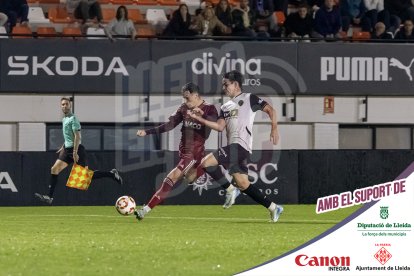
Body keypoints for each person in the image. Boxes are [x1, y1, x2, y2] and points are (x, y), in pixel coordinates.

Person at [134, 83, 241, 220]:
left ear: (196, 95)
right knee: (191, 176)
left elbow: (216, 124)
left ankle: (145, 210)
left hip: (193, 153)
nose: (186, 102)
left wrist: (201, 115)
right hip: (185, 152)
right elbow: (169, 126)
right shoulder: (183, 109)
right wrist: (147, 132)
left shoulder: (209, 109)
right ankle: (230, 188)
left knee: (171, 178)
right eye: (184, 99)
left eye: (188, 98)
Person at [187, 70, 284, 223]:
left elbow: (271, 110)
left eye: (226, 84)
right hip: (234, 147)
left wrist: (274, 128)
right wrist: (201, 118)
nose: (224, 87)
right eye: (223, 85)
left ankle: (230, 190)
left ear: (236, 84)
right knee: (244, 184)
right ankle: (273, 207)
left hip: (241, 146)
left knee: (206, 162)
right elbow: (219, 127)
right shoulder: (225, 107)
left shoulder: (249, 98)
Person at [35, 98, 123, 204]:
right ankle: (49, 197)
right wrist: (63, 146)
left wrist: (75, 152)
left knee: (83, 178)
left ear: (70, 105)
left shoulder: (73, 118)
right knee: (54, 169)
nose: (64, 106)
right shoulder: (64, 119)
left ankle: (111, 174)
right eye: (62, 104)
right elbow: (69, 135)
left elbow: (78, 136)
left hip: (76, 150)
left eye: (66, 104)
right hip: (67, 150)